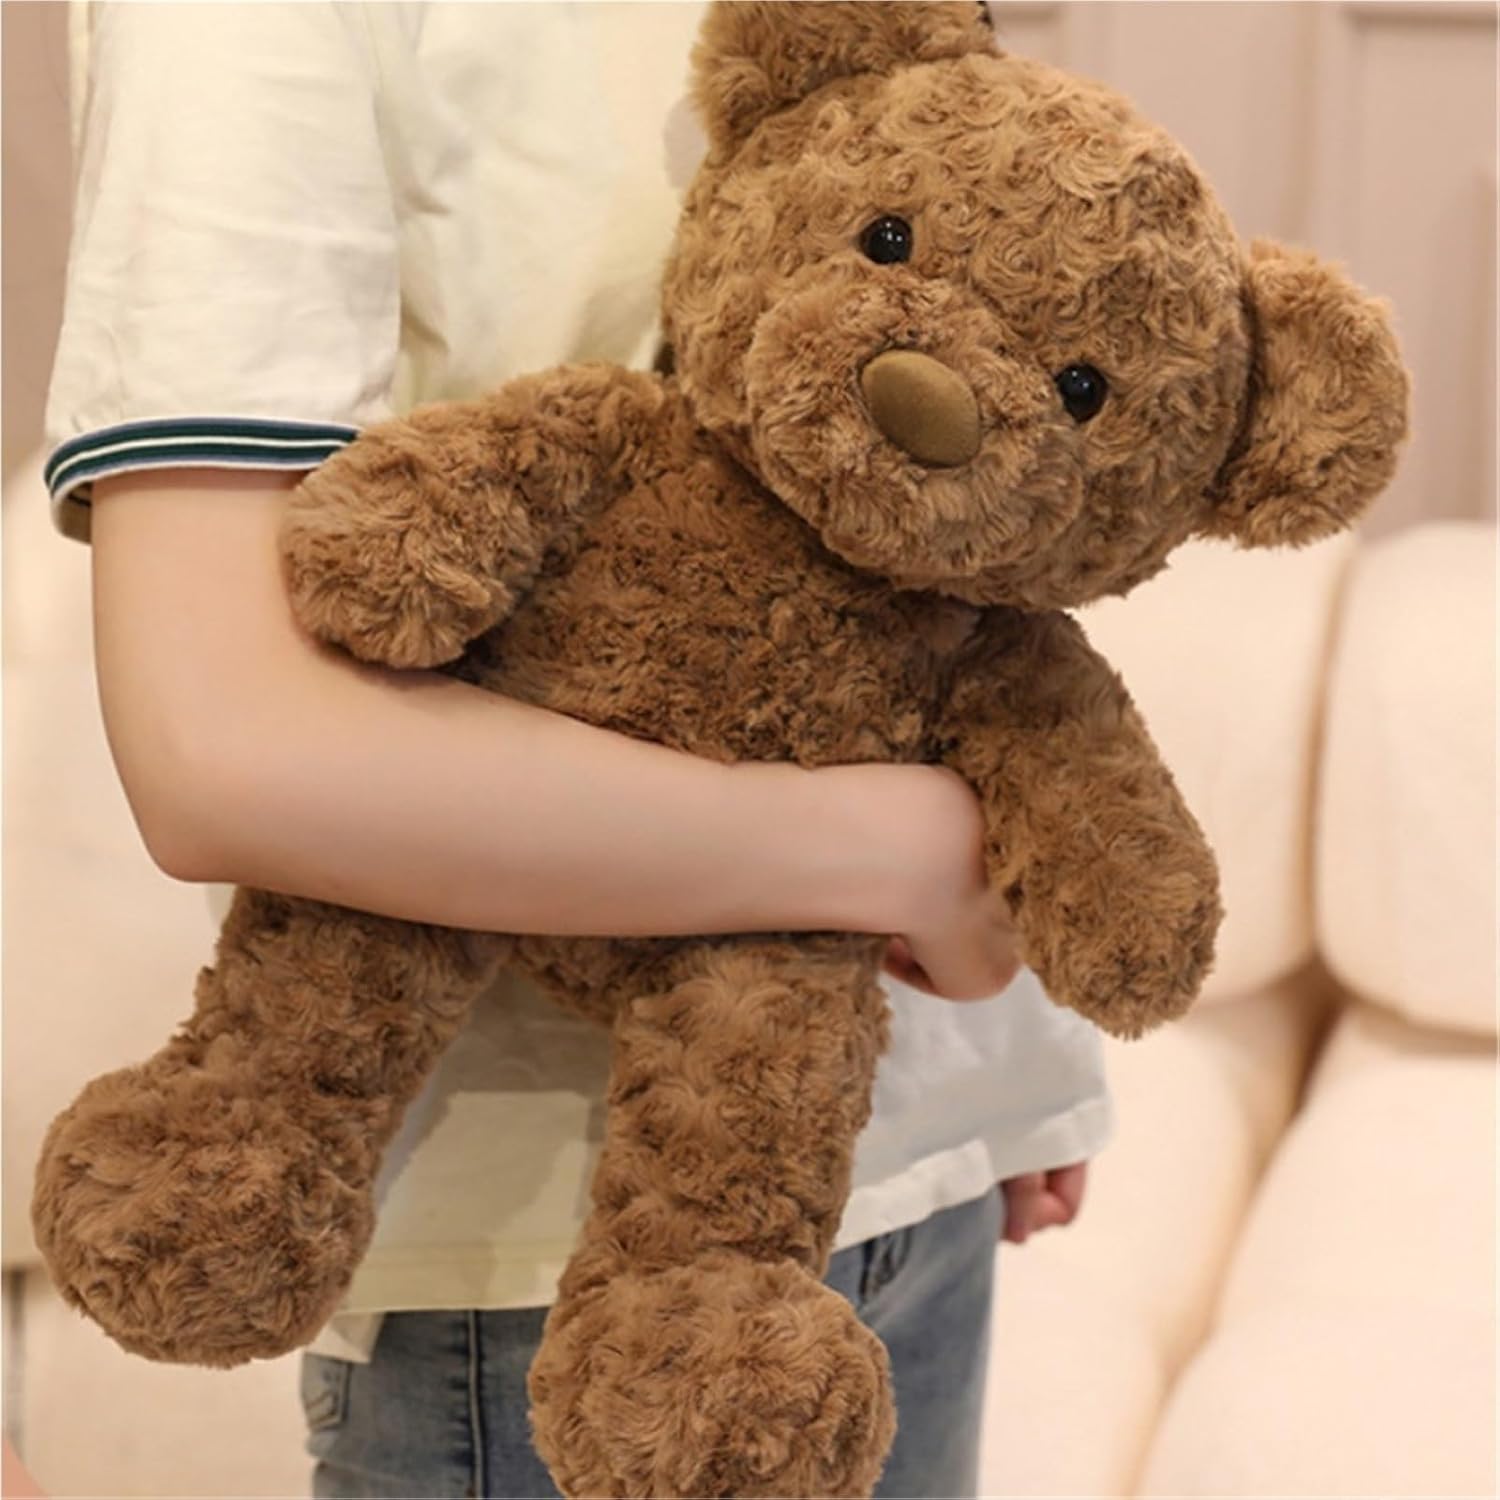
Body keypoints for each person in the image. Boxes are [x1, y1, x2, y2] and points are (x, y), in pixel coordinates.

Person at [42, 5, 1110, 1496]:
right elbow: (220, 749)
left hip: (911, 1167)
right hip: (525, 1267)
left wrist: (1019, 1056)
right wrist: (918, 852)